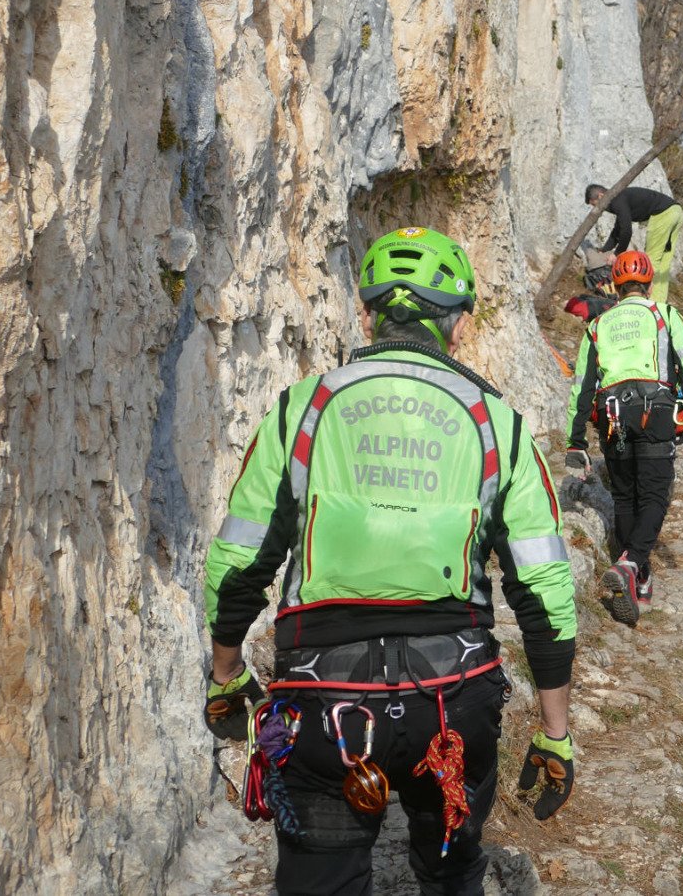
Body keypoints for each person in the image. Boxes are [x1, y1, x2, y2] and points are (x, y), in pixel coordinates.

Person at [201, 227, 578, 896]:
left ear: (369, 314)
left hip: (323, 704)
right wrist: (555, 735)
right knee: (453, 873)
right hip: (453, 706)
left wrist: (226, 675)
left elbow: (240, 562)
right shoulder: (502, 428)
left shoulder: (301, 411)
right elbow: (543, 592)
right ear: (457, 326)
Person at [564, 250, 683, 627]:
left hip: (613, 418)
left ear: (615, 284)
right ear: (648, 283)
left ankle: (639, 578)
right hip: (655, 412)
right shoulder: (665, 314)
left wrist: (576, 440)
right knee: (656, 494)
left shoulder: (598, 324)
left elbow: (582, 386)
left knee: (625, 495)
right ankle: (630, 563)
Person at [585, 183, 683, 305]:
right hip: (676, 212)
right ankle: (659, 302)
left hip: (662, 215)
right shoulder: (620, 197)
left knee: (651, 260)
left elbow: (626, 231)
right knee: (663, 262)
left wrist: (617, 254)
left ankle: (651, 303)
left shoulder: (617, 200)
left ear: (601, 196)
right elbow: (618, 229)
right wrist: (604, 249)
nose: (599, 209)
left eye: (596, 205)